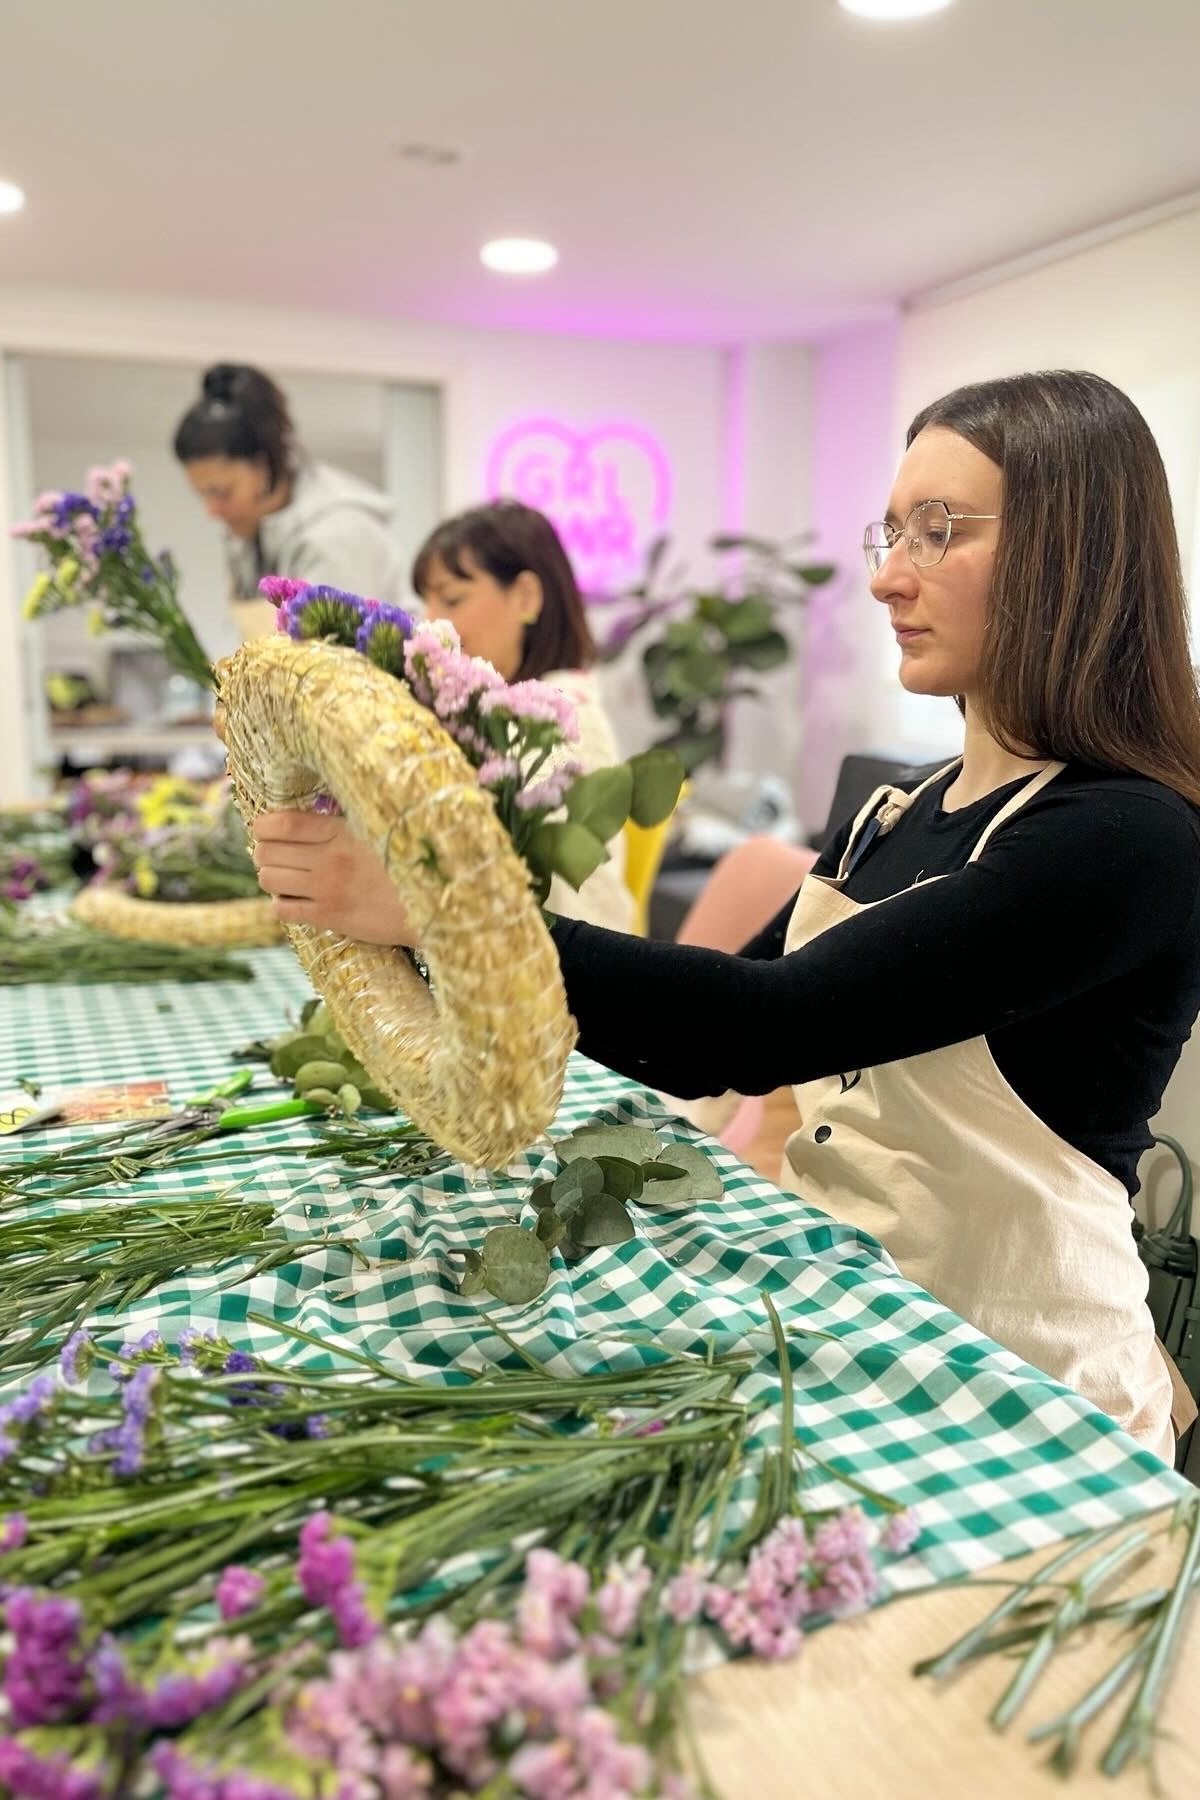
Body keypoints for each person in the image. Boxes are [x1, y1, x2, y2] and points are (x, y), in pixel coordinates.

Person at [248, 371, 1200, 1463]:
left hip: (1020, 1391)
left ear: (1072, 553)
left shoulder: (1127, 841)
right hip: (866, 1321)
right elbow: (702, 1048)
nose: (890, 576)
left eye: (939, 531)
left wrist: (439, 908)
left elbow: (768, 1025)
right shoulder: (902, 811)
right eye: (889, 533)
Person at [407, 500, 634, 931]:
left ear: (526, 597)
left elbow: (555, 909)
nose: (429, 623)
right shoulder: (498, 714)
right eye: (427, 603)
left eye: (452, 599)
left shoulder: (560, 721)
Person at [174, 364, 404, 638]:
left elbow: (335, 667)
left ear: (262, 466)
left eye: (222, 492)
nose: (211, 511)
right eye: (202, 495)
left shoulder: (336, 536)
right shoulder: (254, 538)